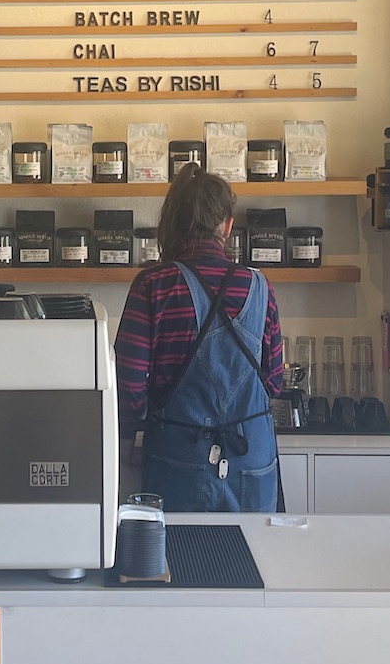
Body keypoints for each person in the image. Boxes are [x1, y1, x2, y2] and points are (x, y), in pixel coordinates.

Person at [114, 165, 285, 512]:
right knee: (253, 559)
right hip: (251, 457)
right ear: (227, 224)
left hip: (178, 457)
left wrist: (123, 446)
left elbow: (127, 383)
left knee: (183, 561)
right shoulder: (259, 286)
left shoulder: (153, 284)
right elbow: (275, 382)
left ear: (173, 223)